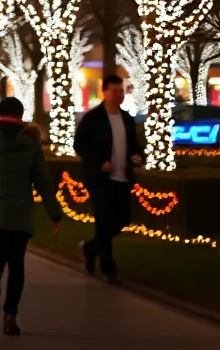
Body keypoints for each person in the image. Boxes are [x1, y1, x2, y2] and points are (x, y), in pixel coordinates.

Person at [0, 97, 62, 337]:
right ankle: (10, 315)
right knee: (17, 263)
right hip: (21, 212)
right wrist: (55, 213)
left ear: (0, 113)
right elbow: (43, 181)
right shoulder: (31, 143)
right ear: (20, 114)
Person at [74, 73, 143, 285]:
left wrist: (138, 157)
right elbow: (80, 145)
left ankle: (90, 247)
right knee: (104, 222)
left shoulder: (127, 119)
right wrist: (99, 163)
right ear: (104, 92)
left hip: (123, 178)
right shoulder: (93, 118)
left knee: (122, 220)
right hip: (101, 180)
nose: (119, 95)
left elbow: (134, 146)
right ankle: (108, 268)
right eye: (114, 90)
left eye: (121, 90)